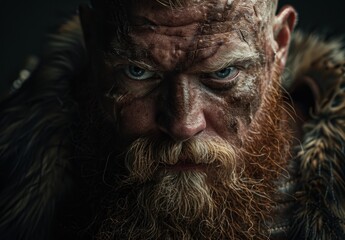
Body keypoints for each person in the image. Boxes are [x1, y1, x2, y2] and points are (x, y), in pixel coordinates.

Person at [1, 0, 345, 239]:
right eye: (139, 72)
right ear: (93, 43)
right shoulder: (14, 179)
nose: (183, 124)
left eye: (222, 73)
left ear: (278, 47)